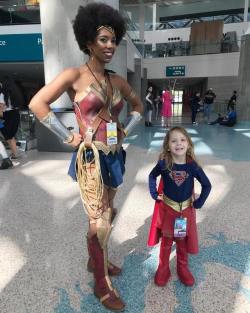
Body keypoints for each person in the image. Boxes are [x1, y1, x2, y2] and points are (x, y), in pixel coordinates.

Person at [29, 3, 143, 311]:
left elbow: (138, 107)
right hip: (91, 158)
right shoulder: (73, 76)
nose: (109, 45)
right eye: (103, 39)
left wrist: (125, 130)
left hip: (115, 156)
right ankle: (101, 283)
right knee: (99, 220)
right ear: (88, 41)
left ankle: (97, 261)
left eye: (113, 39)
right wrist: (68, 135)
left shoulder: (118, 80)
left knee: (109, 214)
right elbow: (38, 103)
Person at [148, 126, 211, 287]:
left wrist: (198, 203)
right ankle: (163, 267)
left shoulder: (192, 166)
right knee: (167, 240)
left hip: (183, 213)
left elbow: (207, 185)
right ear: (168, 145)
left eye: (183, 140)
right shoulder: (164, 164)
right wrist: (154, 194)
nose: (179, 144)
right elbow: (152, 176)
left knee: (182, 241)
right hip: (168, 210)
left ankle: (182, 267)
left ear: (189, 144)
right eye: (174, 140)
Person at [0, 78, 20, 159]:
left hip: (6, 116)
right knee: (11, 136)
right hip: (15, 114)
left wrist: (1, 119)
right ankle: (15, 154)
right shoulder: (15, 94)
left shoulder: (2, 94)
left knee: (7, 136)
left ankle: (14, 154)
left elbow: (1, 108)